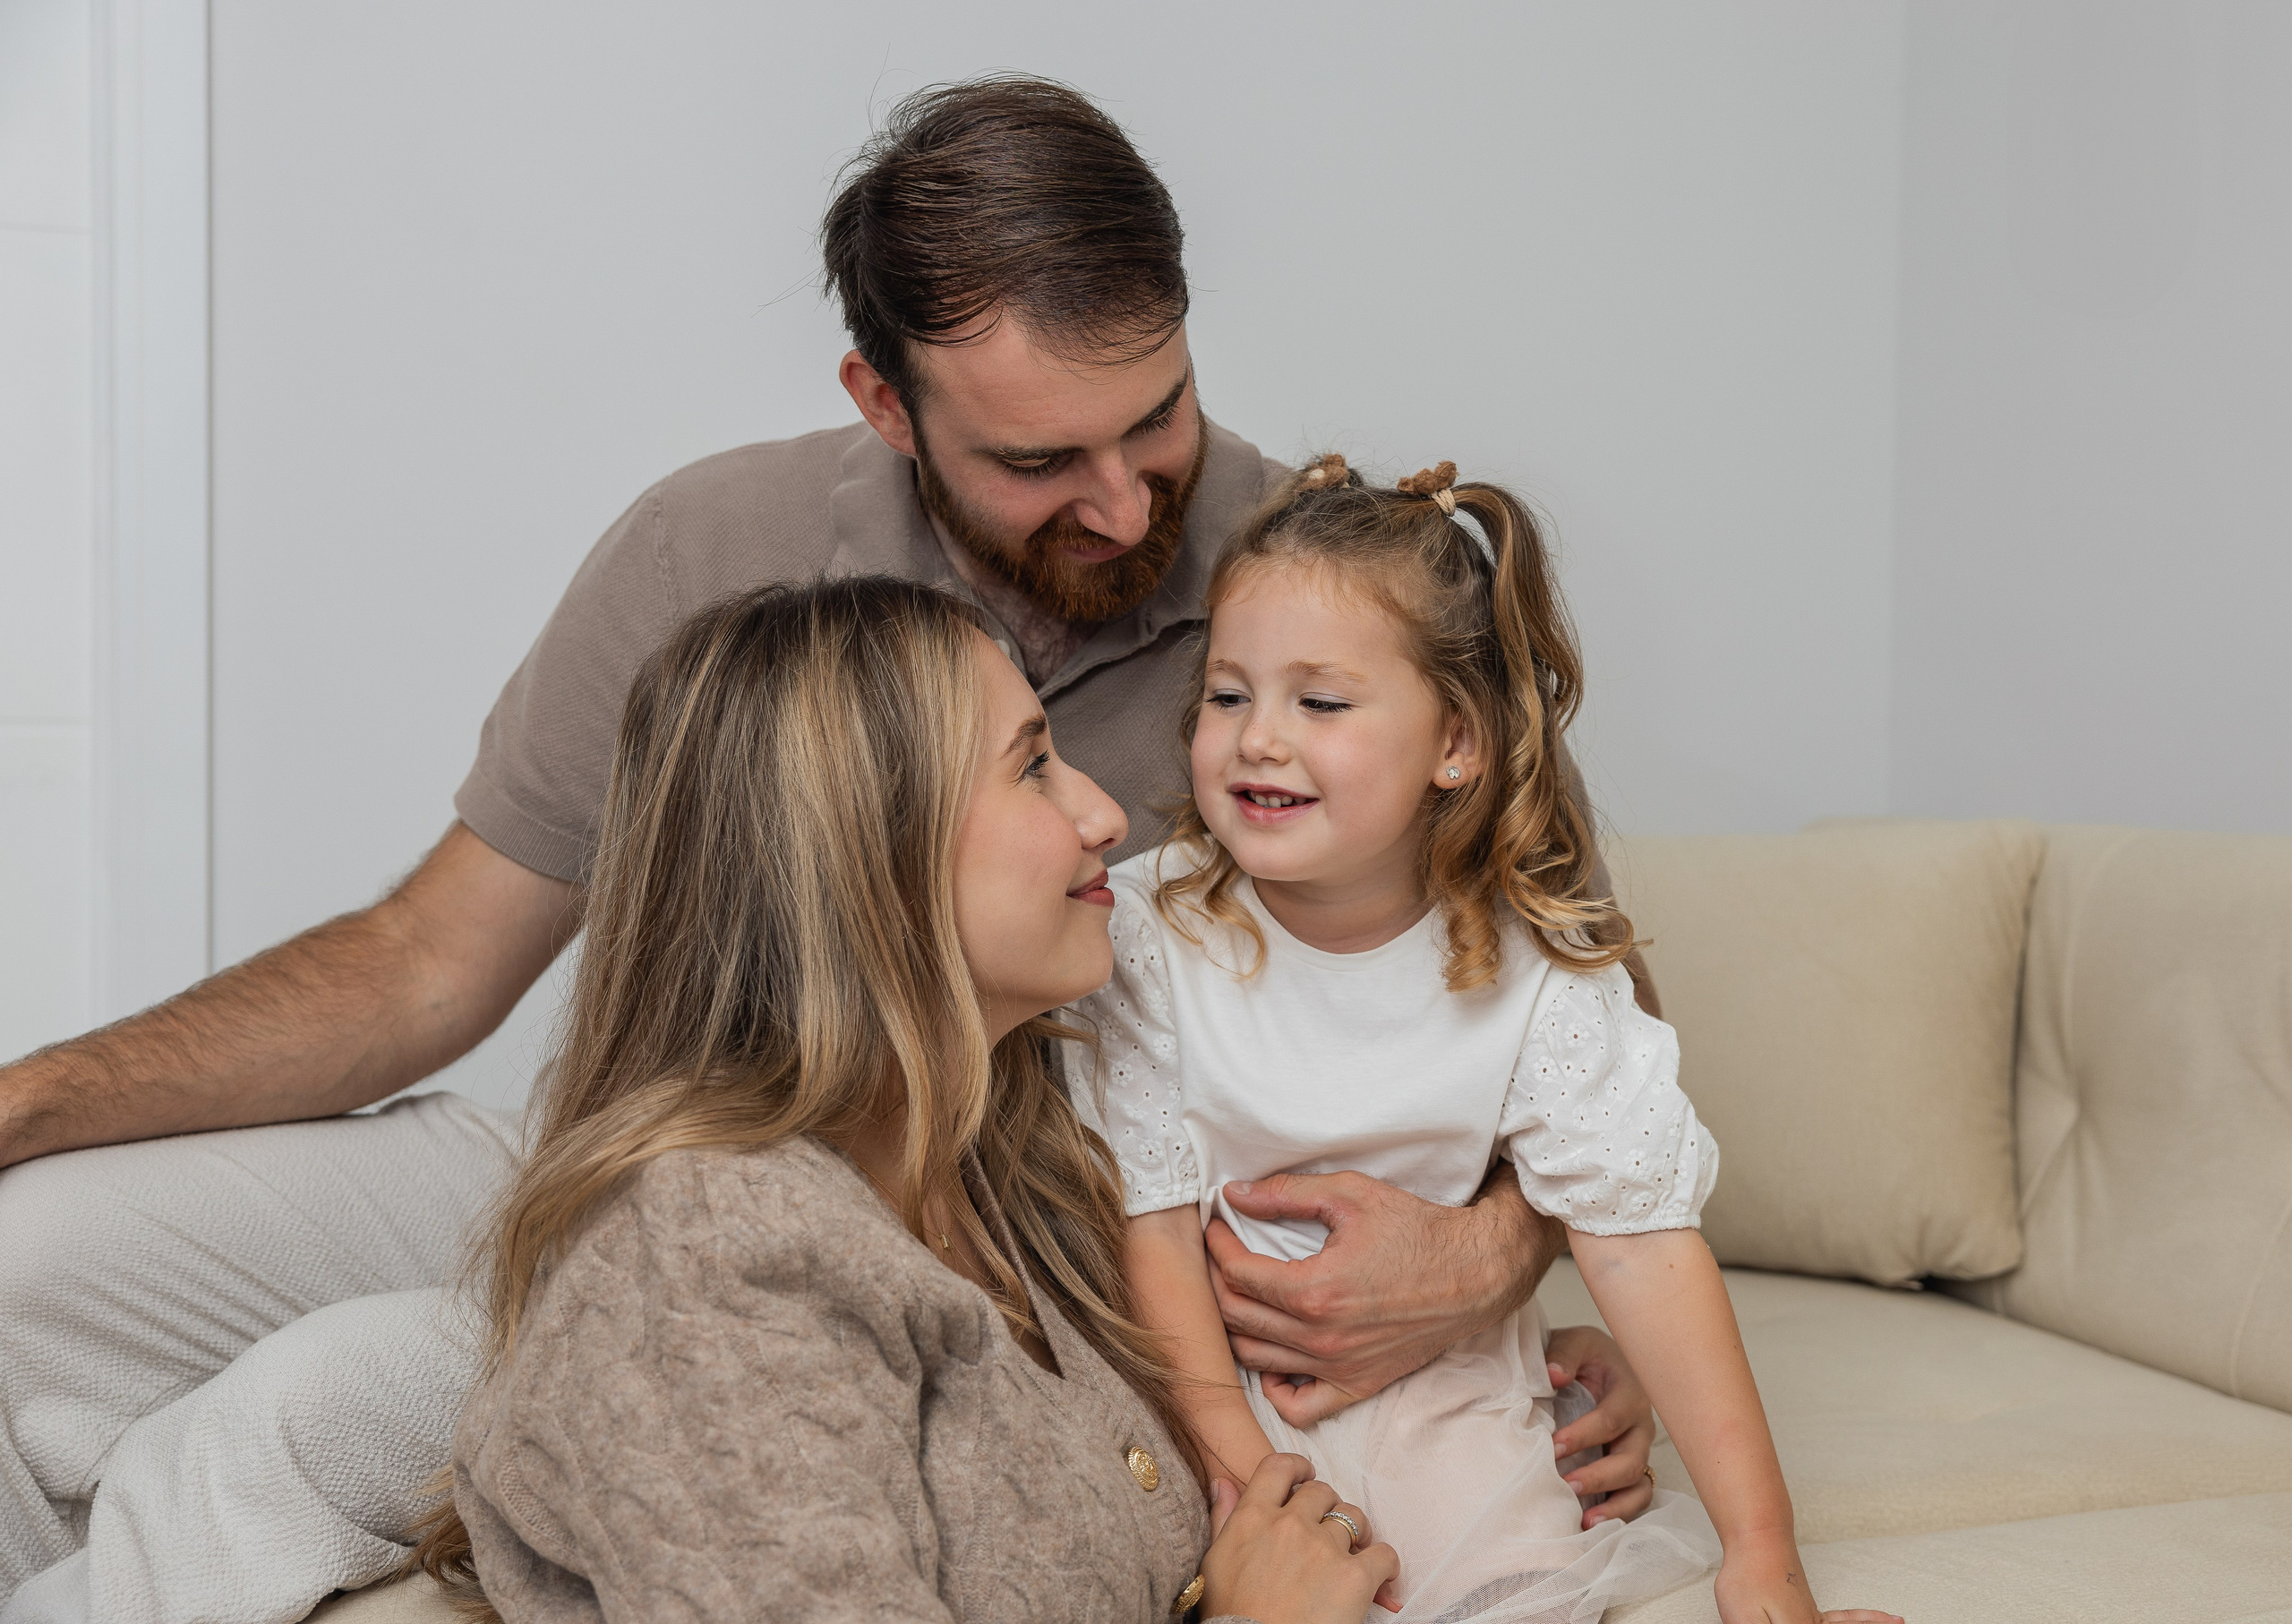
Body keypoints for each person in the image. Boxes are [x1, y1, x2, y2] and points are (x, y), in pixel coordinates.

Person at [0, 77, 1656, 1619]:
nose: (1132, 509)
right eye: (1037, 458)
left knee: (313, 1408)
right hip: (679, 1138)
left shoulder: (1317, 595)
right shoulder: (712, 545)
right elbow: (431, 959)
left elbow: (1546, 978)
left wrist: (1490, 1264)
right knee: (33, 1262)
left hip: (990, 1218)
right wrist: (30, 1099)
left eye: (1156, 420)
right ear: (885, 401)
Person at [424, 574, 1400, 1623]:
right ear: (865, 850)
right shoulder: (707, 1250)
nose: (1104, 813)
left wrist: (1536, 1332)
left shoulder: (1006, 1162)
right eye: (1032, 766)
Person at [1070, 457, 1903, 1623]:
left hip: (1446, 1395)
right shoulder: (1148, 932)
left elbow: (1646, 1252)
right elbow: (1147, 1234)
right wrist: (1244, 1472)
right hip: (1208, 1388)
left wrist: (1763, 1555)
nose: (1258, 738)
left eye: (1319, 702)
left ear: (1454, 743)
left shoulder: (1539, 972)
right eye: (1227, 693)